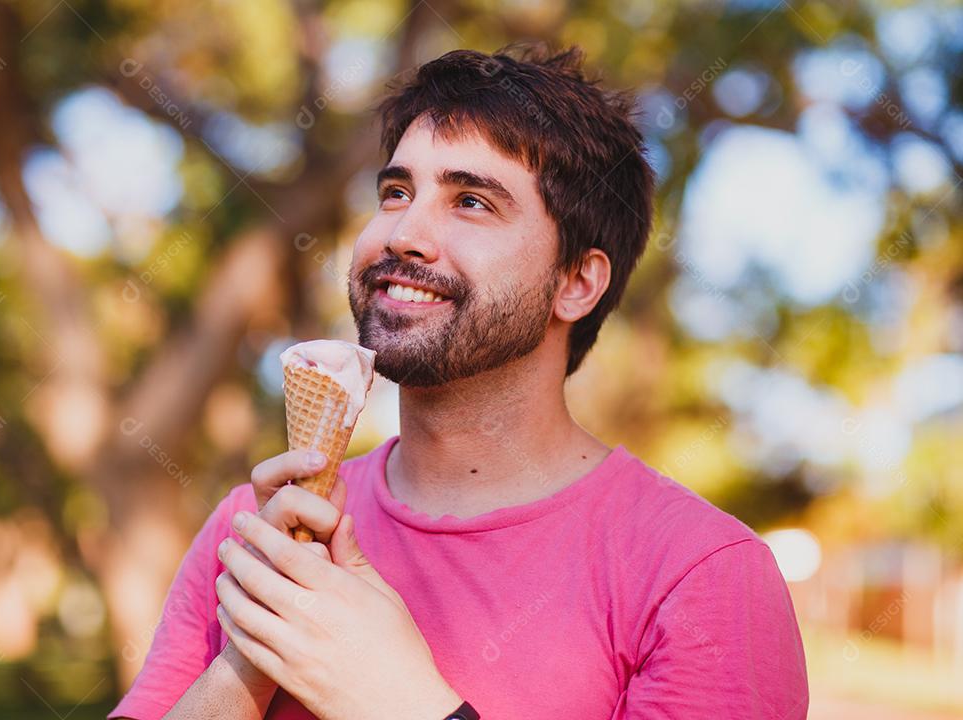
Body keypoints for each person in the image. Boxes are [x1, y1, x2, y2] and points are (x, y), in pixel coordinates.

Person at [110, 45, 809, 720]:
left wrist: (405, 706)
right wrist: (250, 660)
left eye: (471, 201)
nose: (403, 233)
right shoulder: (257, 531)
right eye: (395, 191)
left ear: (576, 282)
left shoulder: (703, 576)